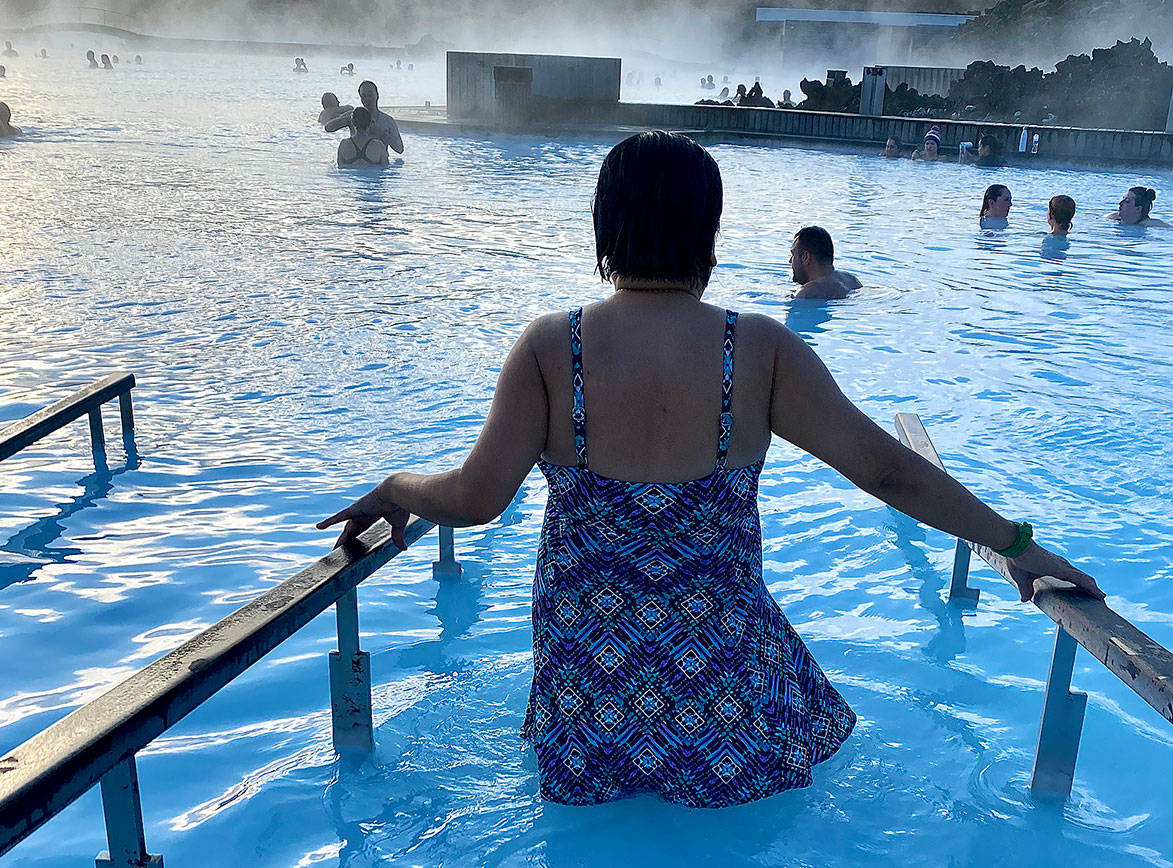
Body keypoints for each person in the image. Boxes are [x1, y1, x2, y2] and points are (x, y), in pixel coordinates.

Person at [317, 130, 1104, 809]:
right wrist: (1017, 546)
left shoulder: (552, 349)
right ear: (709, 230)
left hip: (589, 688)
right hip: (723, 687)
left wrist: (395, 488)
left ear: (607, 226)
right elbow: (890, 474)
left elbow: (474, 498)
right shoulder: (756, 351)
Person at [789, 226, 862, 300]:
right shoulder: (851, 280)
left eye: (793, 255)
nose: (790, 260)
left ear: (806, 257)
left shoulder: (806, 293)